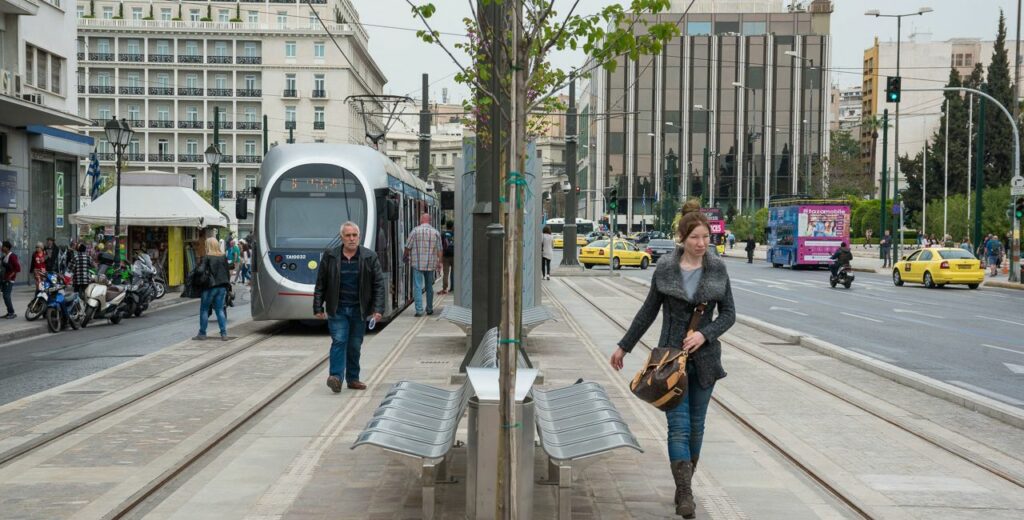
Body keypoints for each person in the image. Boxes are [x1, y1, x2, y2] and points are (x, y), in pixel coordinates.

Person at [610, 200, 735, 519]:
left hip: (705, 361)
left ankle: (685, 484)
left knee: (697, 428)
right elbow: (648, 311)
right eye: (695, 237)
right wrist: (624, 346)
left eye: (706, 237)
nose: (702, 243)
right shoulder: (665, 267)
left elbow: (730, 314)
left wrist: (704, 334)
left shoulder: (717, 268)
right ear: (682, 238)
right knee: (678, 428)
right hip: (669, 361)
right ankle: (685, 493)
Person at [313, 221, 385, 393]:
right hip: (337, 308)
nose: (352, 239)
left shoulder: (369, 256)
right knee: (339, 340)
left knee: (354, 345)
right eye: (348, 235)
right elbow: (321, 283)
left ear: (359, 237)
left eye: (354, 235)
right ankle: (336, 377)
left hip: (359, 310)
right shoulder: (330, 256)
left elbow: (378, 285)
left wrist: (378, 309)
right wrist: (317, 307)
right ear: (342, 238)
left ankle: (353, 379)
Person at [193, 237, 233, 341]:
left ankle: (202, 333)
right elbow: (227, 272)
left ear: (208, 246)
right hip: (222, 286)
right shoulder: (223, 256)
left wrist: (197, 268)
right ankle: (224, 334)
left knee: (204, 310)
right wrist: (228, 286)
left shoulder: (207, 257)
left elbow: (200, 270)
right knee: (219, 310)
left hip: (210, 287)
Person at [404, 213, 442, 317]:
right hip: (430, 264)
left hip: (417, 263)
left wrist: (405, 256)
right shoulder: (436, 232)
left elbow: (408, 246)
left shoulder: (415, 231)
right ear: (429, 220)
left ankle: (419, 311)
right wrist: (439, 262)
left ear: (421, 220)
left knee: (417, 286)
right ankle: (429, 309)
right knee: (429, 287)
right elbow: (440, 249)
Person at [1, 241, 21, 318]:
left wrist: (10, 276)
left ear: (7, 248)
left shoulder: (12, 256)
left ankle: (12, 313)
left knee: (6, 296)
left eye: (3, 246)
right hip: (5, 279)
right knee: (5, 296)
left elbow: (18, 268)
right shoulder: (5, 256)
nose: (2, 248)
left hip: (9, 280)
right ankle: (9, 312)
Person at [440, 221, 455, 295]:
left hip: (445, 256)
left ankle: (444, 288)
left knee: (445, 273)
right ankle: (453, 287)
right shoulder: (455, 233)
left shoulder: (443, 234)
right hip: (454, 256)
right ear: (452, 226)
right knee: (453, 272)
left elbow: (440, 245)